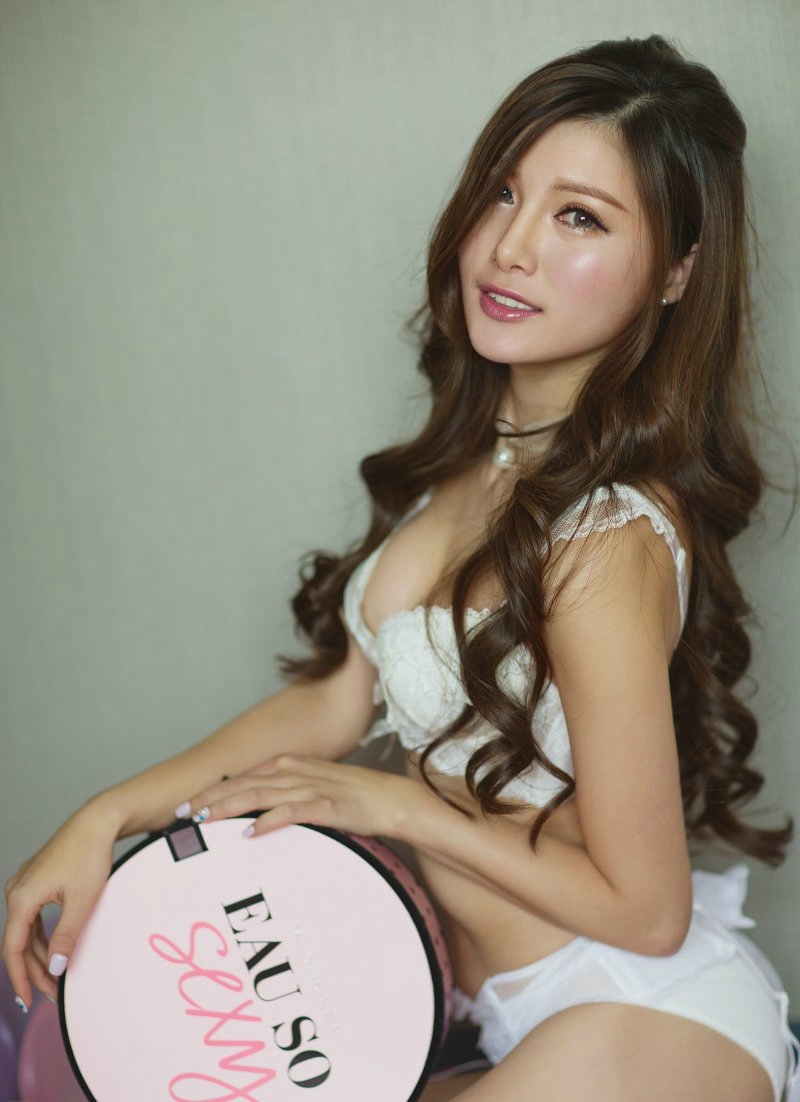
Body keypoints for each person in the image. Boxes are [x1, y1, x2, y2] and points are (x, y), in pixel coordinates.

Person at [3, 32, 799, 1102]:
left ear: (675, 273)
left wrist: (395, 806)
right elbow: (335, 701)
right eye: (503, 193)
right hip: (501, 1016)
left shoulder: (606, 539)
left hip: (638, 1010)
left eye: (578, 217)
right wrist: (106, 815)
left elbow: (648, 910)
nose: (509, 247)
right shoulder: (474, 470)